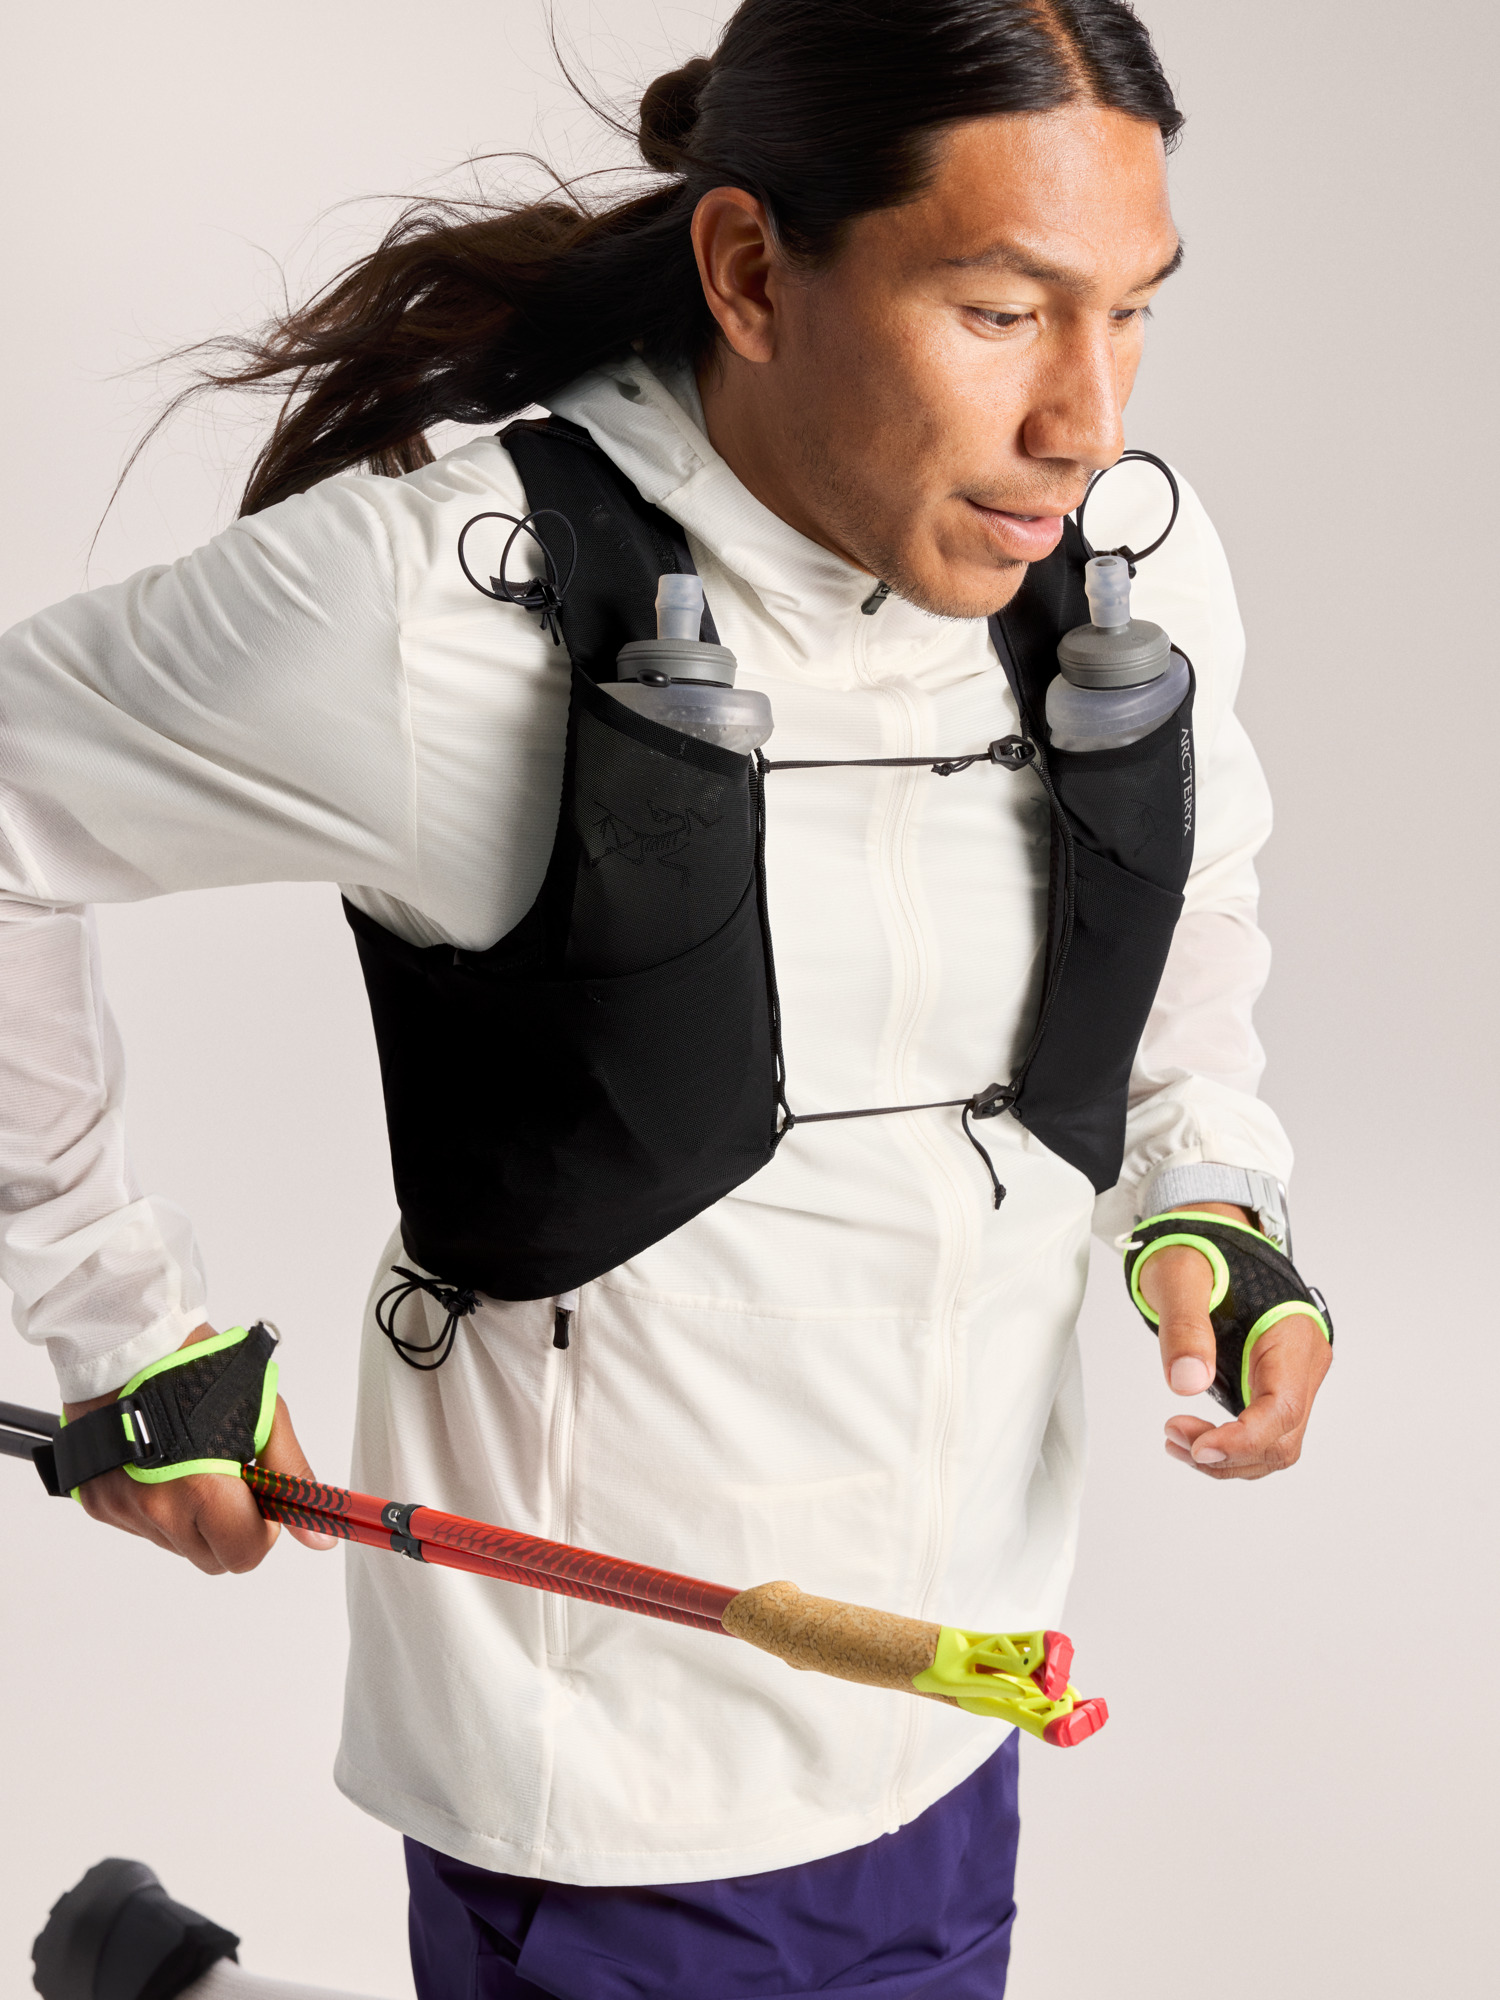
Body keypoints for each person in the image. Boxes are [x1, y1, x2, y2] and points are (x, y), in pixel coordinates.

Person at [1, 2, 1333, 1993]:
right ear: (750, 272)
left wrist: (1210, 1187)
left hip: (951, 1679)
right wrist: (113, 1317)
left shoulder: (1108, 564)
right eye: (1000, 313)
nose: (1086, 419)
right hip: (609, 1742)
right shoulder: (445, 607)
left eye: (1129, 313)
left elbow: (1181, 888)